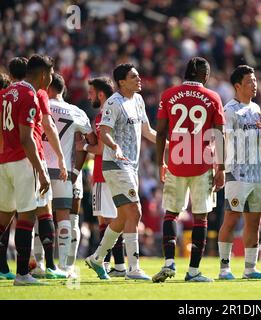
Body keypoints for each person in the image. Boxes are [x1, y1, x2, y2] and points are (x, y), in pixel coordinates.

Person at [153, 57, 225, 283]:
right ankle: (193, 271)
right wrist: (221, 167)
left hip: (176, 161)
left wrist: (159, 163)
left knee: (171, 213)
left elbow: (161, 133)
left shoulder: (168, 95)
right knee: (200, 216)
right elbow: (220, 135)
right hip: (202, 163)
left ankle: (169, 263)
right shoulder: (213, 97)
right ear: (204, 76)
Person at [85, 63, 157, 280]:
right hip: (114, 165)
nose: (139, 79)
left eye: (138, 75)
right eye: (134, 77)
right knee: (135, 212)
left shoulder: (138, 100)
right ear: (122, 82)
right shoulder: (113, 103)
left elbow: (147, 131)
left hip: (131, 166)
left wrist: (168, 143)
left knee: (122, 217)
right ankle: (133, 268)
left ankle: (97, 258)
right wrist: (114, 146)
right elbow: (105, 132)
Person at [1, 56, 67, 281]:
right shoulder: (30, 96)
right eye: (50, 74)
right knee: (27, 216)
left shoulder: (6, 93)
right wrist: (40, 169)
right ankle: (22, 274)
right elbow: (27, 138)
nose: (51, 78)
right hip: (23, 161)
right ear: (42, 74)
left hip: (4, 162)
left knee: (3, 219)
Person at [36, 73, 96, 277]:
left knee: (39, 217)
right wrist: (77, 168)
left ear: (49, 88)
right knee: (65, 217)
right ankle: (63, 266)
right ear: (63, 90)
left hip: (39, 168)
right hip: (64, 171)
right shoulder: (76, 111)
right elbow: (91, 139)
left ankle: (39, 264)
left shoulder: (39, 104)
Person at [217, 65, 261, 280]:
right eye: (250, 81)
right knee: (230, 219)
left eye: (255, 80)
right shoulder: (229, 110)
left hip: (255, 172)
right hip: (236, 172)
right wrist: (220, 168)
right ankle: (224, 269)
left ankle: (250, 269)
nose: (254, 85)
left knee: (254, 221)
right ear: (238, 85)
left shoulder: (257, 109)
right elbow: (222, 140)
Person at [77, 76, 126, 277]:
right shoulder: (119, 112)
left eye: (91, 93)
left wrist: (85, 146)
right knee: (115, 220)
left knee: (105, 222)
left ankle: (104, 263)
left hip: (102, 174)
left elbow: (101, 149)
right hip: (118, 172)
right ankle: (120, 265)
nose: (89, 97)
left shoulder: (102, 117)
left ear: (100, 94)